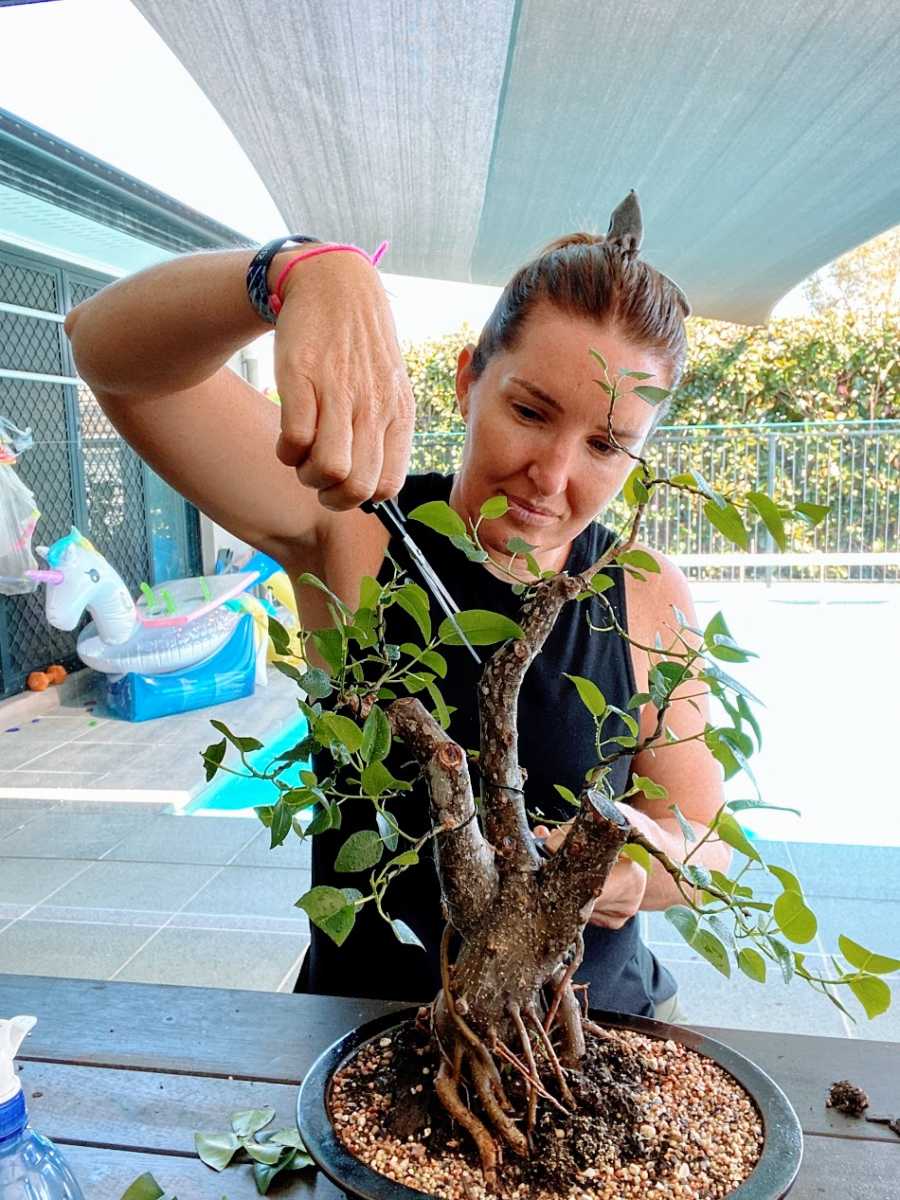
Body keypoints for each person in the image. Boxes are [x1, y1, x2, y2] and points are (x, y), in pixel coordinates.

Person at [65, 197, 728, 1021]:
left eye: (606, 444)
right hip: (369, 1039)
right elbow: (103, 347)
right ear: (467, 381)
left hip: (595, 1035)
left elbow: (703, 839)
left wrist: (632, 873)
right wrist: (292, 273)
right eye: (529, 411)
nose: (552, 476)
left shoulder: (644, 588)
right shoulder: (352, 527)